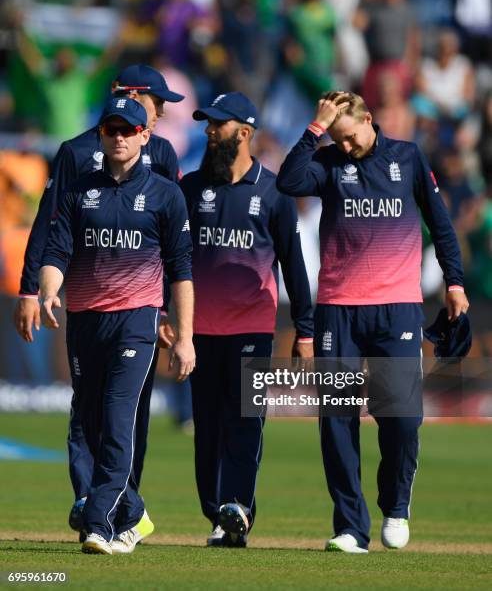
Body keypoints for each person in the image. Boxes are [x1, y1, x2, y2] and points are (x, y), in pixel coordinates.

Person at [276, 91, 469, 552]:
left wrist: (455, 283)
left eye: (350, 137)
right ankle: (349, 526)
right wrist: (315, 130)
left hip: (397, 307)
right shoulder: (325, 161)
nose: (345, 147)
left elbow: (440, 224)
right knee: (338, 419)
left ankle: (396, 504)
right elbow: (288, 181)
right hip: (338, 309)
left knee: (402, 418)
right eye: (336, 140)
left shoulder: (407, 156)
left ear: (369, 120)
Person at [14, 64, 185, 541]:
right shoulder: (74, 153)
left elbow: (170, 242)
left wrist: (169, 308)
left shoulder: (164, 152)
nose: (163, 111)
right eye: (158, 101)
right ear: (129, 95)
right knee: (87, 410)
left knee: (128, 412)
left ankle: (113, 500)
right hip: (87, 305)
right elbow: (49, 225)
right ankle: (100, 498)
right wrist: (33, 289)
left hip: (141, 308)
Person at [179, 92, 314, 547]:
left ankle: (236, 509)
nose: (208, 130)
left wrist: (306, 329)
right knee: (207, 431)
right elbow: (171, 262)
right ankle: (217, 511)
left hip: (253, 330)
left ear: (244, 132)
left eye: (217, 124)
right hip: (199, 332)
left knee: (244, 422)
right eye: (206, 124)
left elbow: (293, 265)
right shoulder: (190, 189)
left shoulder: (274, 193)